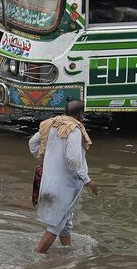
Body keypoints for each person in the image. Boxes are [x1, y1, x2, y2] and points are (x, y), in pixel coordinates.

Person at [30, 100, 97, 253]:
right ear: (81, 115)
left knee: (66, 221)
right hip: (64, 186)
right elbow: (73, 160)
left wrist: (47, 161)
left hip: (48, 182)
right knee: (55, 225)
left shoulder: (52, 124)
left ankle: (67, 252)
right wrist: (88, 181)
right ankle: (37, 258)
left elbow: (33, 144)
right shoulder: (74, 130)